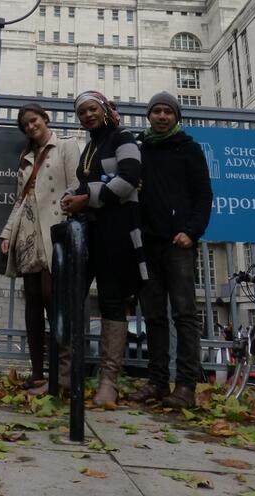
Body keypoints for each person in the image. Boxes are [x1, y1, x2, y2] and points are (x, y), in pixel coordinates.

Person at [61, 91, 147, 406]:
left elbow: (130, 178)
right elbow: (85, 182)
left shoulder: (123, 137)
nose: (87, 115)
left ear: (105, 110)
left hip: (116, 233)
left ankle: (109, 382)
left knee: (112, 302)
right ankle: (64, 376)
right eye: (82, 112)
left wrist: (87, 198)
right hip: (86, 234)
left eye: (92, 109)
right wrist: (70, 195)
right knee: (70, 300)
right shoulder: (91, 146)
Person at [129, 92, 212, 409]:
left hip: (178, 243)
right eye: (157, 111)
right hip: (147, 244)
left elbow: (203, 195)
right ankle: (157, 382)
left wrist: (191, 232)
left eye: (168, 112)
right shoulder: (139, 149)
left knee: (184, 314)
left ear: (176, 117)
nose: (162, 116)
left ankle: (186, 386)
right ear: (149, 116)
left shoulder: (189, 149)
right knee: (153, 316)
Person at [0, 103, 80, 391]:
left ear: (45, 119)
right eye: (26, 125)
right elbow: (20, 200)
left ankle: (62, 374)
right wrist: (7, 233)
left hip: (54, 229)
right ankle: (37, 373)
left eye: (34, 121)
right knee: (32, 300)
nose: (31, 127)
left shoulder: (67, 146)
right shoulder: (26, 157)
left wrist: (68, 223)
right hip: (27, 232)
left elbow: (76, 186)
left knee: (52, 296)